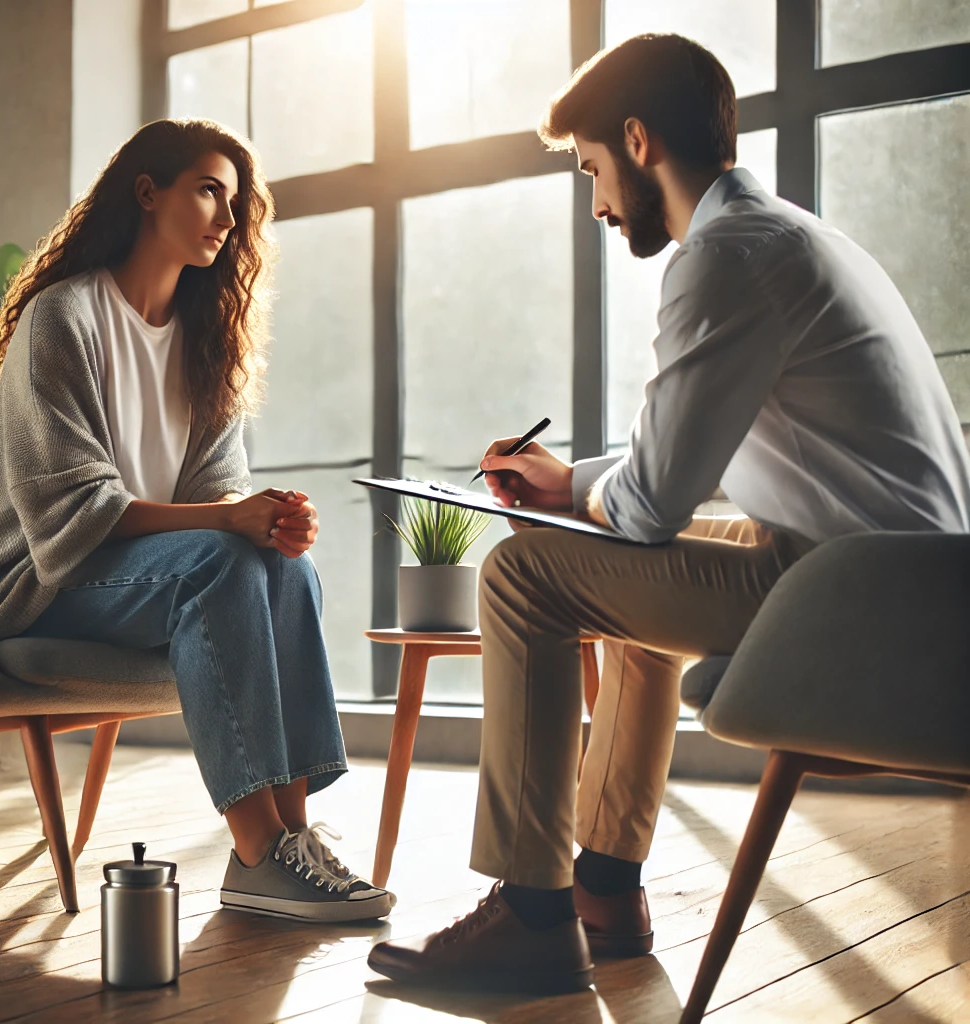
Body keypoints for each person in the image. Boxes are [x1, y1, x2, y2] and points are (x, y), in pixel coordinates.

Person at [368, 33, 970, 991]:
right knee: (611, 562)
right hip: (894, 588)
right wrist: (569, 488)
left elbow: (648, 508)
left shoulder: (724, 258)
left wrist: (591, 508)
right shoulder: (789, 239)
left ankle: (531, 911)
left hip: (859, 610)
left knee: (525, 573)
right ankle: (604, 887)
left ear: (638, 141)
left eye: (591, 168)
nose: (598, 201)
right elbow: (682, 462)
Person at [0, 118, 394, 923]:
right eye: (208, 190)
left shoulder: (205, 341)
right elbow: (69, 513)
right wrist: (231, 522)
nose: (228, 216)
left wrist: (273, 523)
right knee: (220, 562)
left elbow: (221, 498)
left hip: (139, 581)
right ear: (147, 193)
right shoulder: (64, 318)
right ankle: (255, 850)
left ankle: (291, 838)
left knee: (284, 565)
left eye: (236, 199)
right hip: (28, 587)